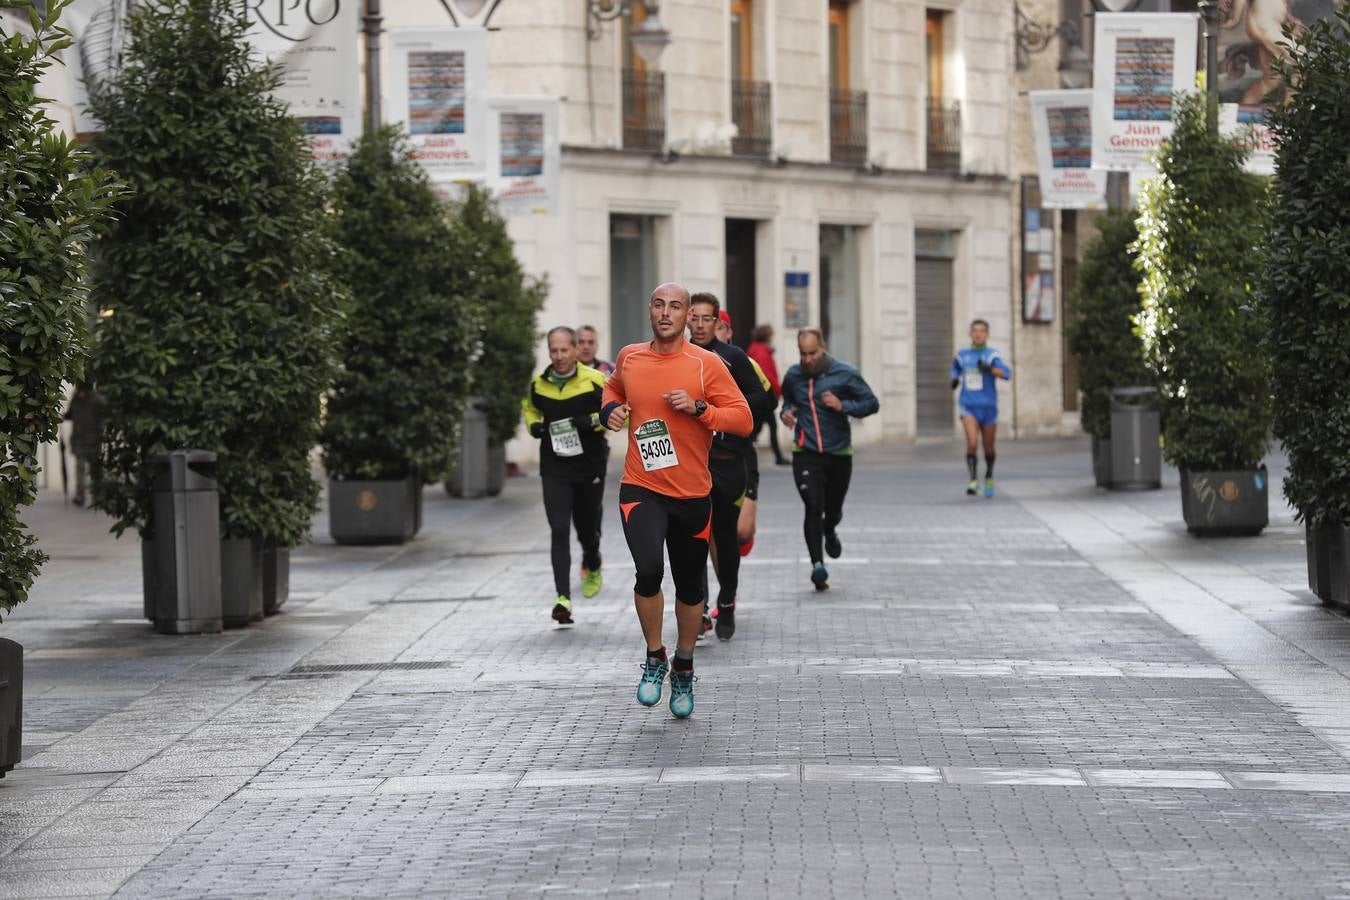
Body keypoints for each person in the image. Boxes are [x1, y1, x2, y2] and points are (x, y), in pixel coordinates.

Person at [602, 282, 752, 718]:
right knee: (648, 568)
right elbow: (612, 391)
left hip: (691, 493)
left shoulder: (706, 364)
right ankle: (655, 656)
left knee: (690, 588)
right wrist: (607, 411)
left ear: (689, 316)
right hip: (640, 486)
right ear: (650, 310)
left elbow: (742, 419)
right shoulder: (630, 356)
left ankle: (684, 663)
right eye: (659, 305)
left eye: (676, 306)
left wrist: (701, 409)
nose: (666, 313)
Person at [687, 296, 773, 641]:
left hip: (728, 464)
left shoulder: (735, 358)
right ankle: (701, 605)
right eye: (695, 318)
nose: (701, 325)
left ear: (716, 322)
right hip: (693, 464)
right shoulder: (679, 356)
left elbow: (763, 401)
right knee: (693, 540)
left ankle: (727, 600)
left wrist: (721, 405)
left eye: (708, 319)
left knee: (724, 538)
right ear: (688, 320)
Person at [779, 328, 879, 591]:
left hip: (838, 454)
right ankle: (817, 566)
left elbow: (871, 403)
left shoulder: (845, 373)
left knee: (831, 510)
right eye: (803, 354)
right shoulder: (793, 375)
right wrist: (786, 414)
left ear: (823, 347)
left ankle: (831, 528)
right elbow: (787, 402)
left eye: (812, 353)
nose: (808, 359)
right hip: (806, 453)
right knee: (813, 506)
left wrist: (843, 406)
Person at [522, 327, 609, 625]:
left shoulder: (595, 380)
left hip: (588, 467)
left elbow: (617, 413)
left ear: (575, 350)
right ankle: (563, 598)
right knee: (558, 529)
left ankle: (593, 562)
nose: (558, 357)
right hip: (555, 467)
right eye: (553, 351)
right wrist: (534, 426)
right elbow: (530, 410)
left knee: (586, 530)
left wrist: (587, 422)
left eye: (563, 350)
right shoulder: (539, 384)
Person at [716, 312, 771, 558]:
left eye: (719, 327)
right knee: (707, 531)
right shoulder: (690, 361)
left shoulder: (744, 362)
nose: (710, 331)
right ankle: (711, 595)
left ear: (729, 333)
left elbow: (769, 401)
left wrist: (736, 413)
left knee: (742, 532)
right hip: (704, 457)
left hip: (741, 454)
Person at [950, 318, 1011, 498]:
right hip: (968, 406)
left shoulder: (993, 355)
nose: (978, 334)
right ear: (970, 334)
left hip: (989, 408)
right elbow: (954, 371)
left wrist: (990, 369)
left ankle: (989, 476)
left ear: (987, 334)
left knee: (988, 448)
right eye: (975, 330)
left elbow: (1007, 374)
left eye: (982, 331)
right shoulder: (962, 355)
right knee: (972, 443)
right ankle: (973, 481)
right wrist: (953, 380)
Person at [746, 324, 789, 465]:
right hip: (765, 395)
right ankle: (776, 456)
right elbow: (767, 375)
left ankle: (777, 456)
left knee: (763, 426)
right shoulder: (762, 352)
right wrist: (778, 389)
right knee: (763, 426)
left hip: (762, 394)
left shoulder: (758, 350)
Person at [63, 382, 104, 508]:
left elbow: (106, 415)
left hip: (94, 440)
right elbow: (69, 414)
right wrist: (61, 417)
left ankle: (99, 495)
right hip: (79, 440)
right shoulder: (75, 400)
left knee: (95, 469)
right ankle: (80, 494)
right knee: (79, 468)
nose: (80, 394)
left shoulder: (97, 400)